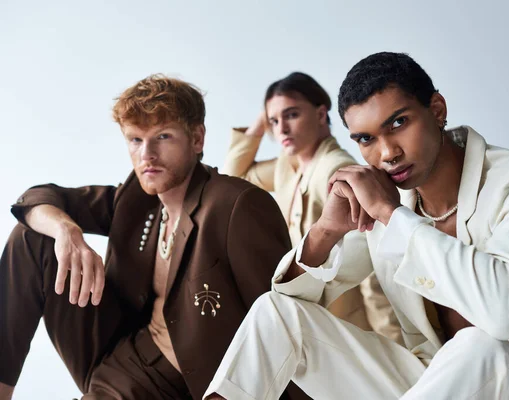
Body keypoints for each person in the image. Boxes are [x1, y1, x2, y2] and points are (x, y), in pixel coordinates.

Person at [205, 53, 509, 399]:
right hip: (433, 384)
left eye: (398, 123)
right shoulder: (387, 197)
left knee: (479, 345)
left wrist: (394, 217)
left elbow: (502, 313)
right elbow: (294, 297)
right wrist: (327, 229)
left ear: (438, 110)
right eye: (366, 139)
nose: (387, 153)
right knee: (275, 313)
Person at [0, 75, 307, 400]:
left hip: (178, 382)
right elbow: (35, 198)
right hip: (114, 349)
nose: (147, 154)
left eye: (162, 136)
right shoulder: (137, 196)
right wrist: (68, 231)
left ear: (197, 138)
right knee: (33, 237)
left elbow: (282, 321)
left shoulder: (235, 206)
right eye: (135, 140)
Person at [223, 72, 400, 339]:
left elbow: (372, 268)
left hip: (346, 327)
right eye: (274, 121)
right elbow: (232, 181)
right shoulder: (289, 164)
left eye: (291, 115)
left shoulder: (336, 169)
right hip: (306, 320)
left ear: (320, 115)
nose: (280, 129)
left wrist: (395, 343)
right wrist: (260, 125)